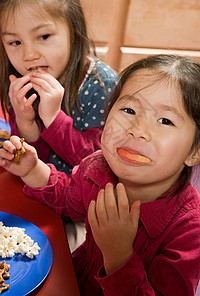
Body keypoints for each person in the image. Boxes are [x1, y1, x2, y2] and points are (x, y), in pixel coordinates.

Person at [0, 54, 200, 296]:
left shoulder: (190, 230)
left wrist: (119, 256)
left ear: (194, 151)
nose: (137, 129)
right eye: (129, 109)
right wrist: (33, 170)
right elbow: (67, 196)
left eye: (165, 120)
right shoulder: (99, 167)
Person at [0, 0, 117, 174]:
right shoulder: (20, 82)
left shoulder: (102, 85)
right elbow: (33, 162)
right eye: (15, 42)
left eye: (44, 37)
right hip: (42, 185)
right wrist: (25, 122)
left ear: (74, 30)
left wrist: (53, 118)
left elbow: (98, 167)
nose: (29, 55)